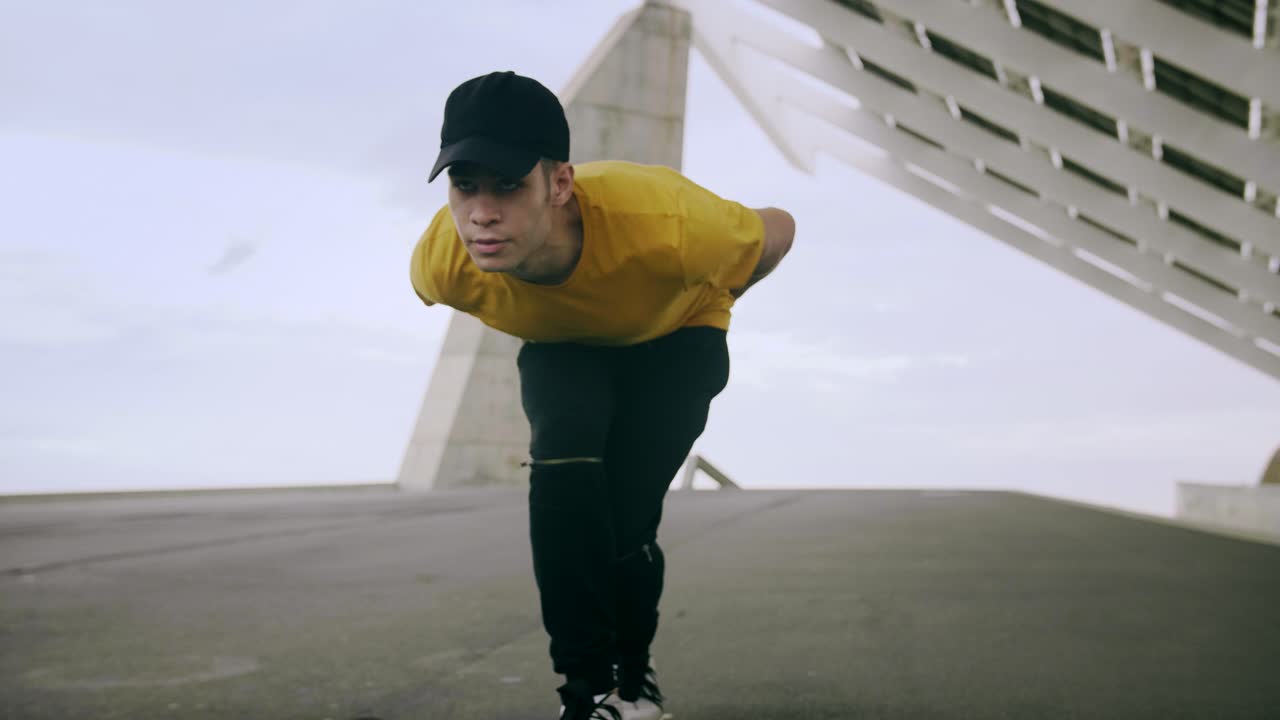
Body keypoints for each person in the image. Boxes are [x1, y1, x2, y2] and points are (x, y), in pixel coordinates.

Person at [409, 71, 795, 720]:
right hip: (562, 341)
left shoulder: (671, 226)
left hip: (675, 336)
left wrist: (715, 292)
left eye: (509, 186)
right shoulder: (443, 264)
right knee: (563, 471)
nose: (481, 213)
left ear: (560, 184)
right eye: (464, 185)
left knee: (621, 515)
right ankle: (589, 696)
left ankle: (634, 681)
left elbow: (778, 228)